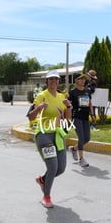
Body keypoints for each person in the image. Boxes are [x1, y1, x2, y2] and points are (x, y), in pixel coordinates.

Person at [27, 70, 72, 208]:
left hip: (57, 134)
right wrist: (39, 108)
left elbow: (68, 119)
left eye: (56, 79)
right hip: (43, 134)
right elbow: (30, 117)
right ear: (47, 81)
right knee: (53, 166)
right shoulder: (41, 96)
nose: (54, 81)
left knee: (61, 168)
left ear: (59, 82)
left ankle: (43, 180)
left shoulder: (61, 96)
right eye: (51, 79)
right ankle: (46, 196)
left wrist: (69, 106)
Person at [67, 73, 96, 167]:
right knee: (81, 138)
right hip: (76, 118)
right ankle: (81, 159)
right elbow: (67, 105)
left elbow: (90, 104)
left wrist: (92, 115)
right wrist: (69, 117)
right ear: (76, 80)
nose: (83, 81)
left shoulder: (87, 90)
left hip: (85, 117)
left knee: (87, 138)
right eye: (80, 79)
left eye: (84, 79)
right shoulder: (72, 92)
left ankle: (74, 149)